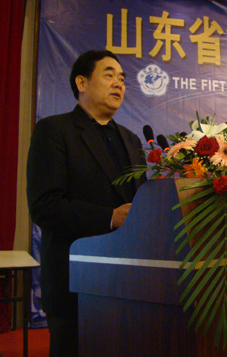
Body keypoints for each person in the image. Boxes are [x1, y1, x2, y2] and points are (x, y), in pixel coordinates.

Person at [27, 50, 145, 356]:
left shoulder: (132, 140)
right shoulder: (54, 131)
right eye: (109, 75)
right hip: (76, 282)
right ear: (82, 83)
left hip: (128, 283)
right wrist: (110, 217)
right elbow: (45, 206)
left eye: (122, 79)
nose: (118, 84)